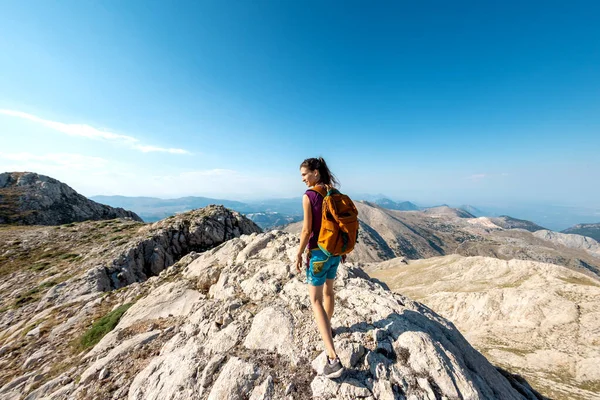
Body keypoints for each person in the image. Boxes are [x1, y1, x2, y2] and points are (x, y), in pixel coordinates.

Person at [295, 157, 344, 379]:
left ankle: (333, 358)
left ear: (316, 172)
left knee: (315, 301)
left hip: (318, 254)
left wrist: (298, 253)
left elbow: (306, 230)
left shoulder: (310, 196)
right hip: (335, 252)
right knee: (329, 292)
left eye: (305, 175)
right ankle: (328, 329)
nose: (303, 179)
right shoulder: (333, 192)